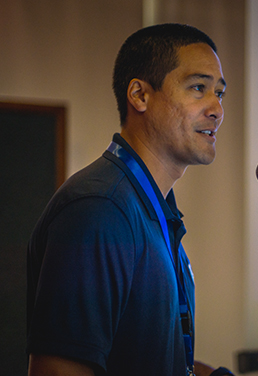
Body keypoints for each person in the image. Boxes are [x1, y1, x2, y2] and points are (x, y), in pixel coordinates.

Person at [26, 23, 234, 376]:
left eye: (219, 93)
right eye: (198, 88)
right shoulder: (100, 209)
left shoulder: (152, 207)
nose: (217, 109)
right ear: (139, 95)